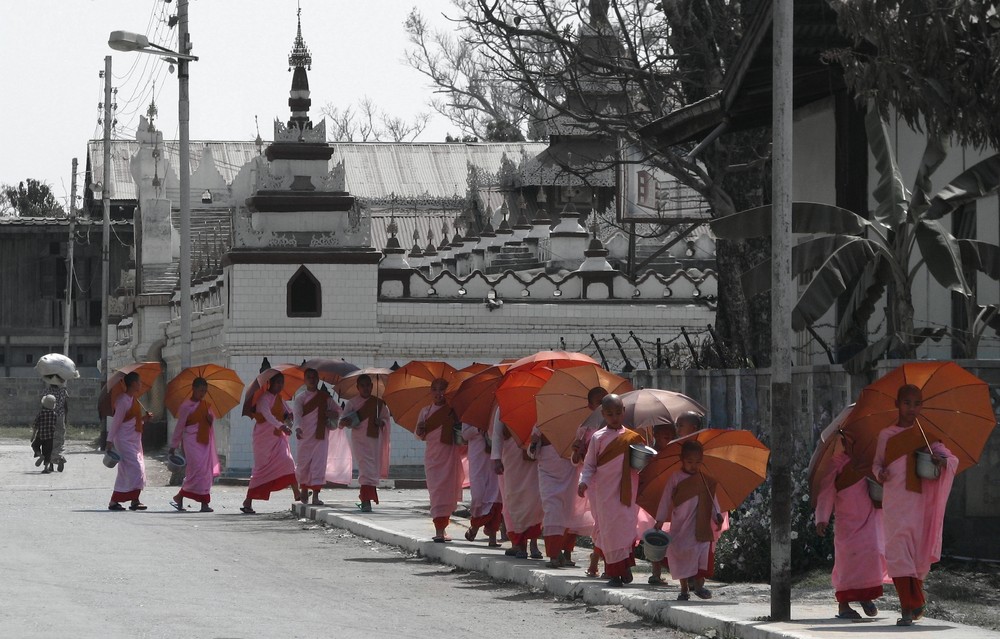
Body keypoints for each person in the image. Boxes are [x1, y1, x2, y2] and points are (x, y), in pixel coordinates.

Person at [873, 384, 957, 626]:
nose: (912, 408)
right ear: (897, 404)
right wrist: (880, 474)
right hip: (894, 503)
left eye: (916, 403)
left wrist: (939, 460)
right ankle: (908, 609)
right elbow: (876, 465)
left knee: (917, 554)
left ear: (922, 406)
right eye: (907, 403)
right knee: (898, 553)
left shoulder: (925, 436)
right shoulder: (886, 435)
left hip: (918, 504)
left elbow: (951, 459)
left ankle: (914, 601)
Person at [578, 394, 646, 587]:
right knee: (609, 531)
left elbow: (639, 465)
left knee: (625, 528)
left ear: (624, 412)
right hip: (605, 493)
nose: (614, 417)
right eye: (610, 414)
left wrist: (643, 455)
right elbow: (589, 464)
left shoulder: (633, 437)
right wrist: (583, 482)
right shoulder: (598, 438)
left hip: (627, 492)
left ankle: (624, 568)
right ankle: (614, 573)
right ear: (603, 414)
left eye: (618, 413)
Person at [814, 440, 886, 619]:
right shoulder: (837, 463)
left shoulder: (870, 461)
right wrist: (822, 518)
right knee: (847, 562)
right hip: (846, 522)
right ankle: (843, 605)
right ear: (845, 442)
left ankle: (865, 596)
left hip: (869, 518)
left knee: (872, 553)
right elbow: (827, 490)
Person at [655, 439, 725, 600]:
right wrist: (660, 519)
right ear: (682, 459)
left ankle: (700, 586)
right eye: (690, 462)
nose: (694, 465)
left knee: (702, 553)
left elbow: (713, 501)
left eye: (698, 462)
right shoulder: (675, 477)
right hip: (680, 525)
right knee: (682, 555)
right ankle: (684, 588)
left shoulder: (705, 480)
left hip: (700, 524)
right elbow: (666, 498)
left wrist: (717, 515)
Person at [530, 422, 594, 569]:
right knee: (551, 510)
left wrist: (578, 451)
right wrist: (533, 443)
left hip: (569, 471)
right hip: (547, 471)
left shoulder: (582, 426)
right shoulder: (542, 422)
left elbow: (582, 457)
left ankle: (561, 550)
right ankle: (553, 554)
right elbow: (532, 453)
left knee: (566, 511)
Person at [415, 378, 468, 542]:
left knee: (447, 493)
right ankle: (439, 530)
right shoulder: (425, 411)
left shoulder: (453, 411)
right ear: (431, 392)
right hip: (433, 457)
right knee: (436, 492)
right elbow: (419, 435)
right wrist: (420, 429)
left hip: (449, 456)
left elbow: (463, 435)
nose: (439, 393)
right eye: (435, 389)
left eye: (442, 389)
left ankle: (442, 529)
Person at [242, 373, 300, 514]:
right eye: (277, 383)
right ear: (270, 384)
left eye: (282, 383)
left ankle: (297, 493)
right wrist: (281, 426)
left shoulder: (279, 398)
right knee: (261, 470)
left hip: (278, 438)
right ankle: (248, 501)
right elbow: (268, 416)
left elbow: (288, 411)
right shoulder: (263, 399)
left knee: (288, 461)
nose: (280, 385)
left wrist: (290, 416)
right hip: (263, 439)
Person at [491, 408, 544, 559]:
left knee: (536, 501)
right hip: (512, 458)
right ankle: (521, 545)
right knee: (516, 500)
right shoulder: (504, 405)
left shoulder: (541, 402)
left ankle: (534, 543)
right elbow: (497, 434)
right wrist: (496, 459)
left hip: (534, 456)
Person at [570, 386, 608, 576]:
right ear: (590, 405)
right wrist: (577, 452)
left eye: (606, 402)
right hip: (595, 482)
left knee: (614, 522)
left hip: (618, 483)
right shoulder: (586, 428)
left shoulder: (621, 428)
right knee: (602, 521)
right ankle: (597, 558)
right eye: (599, 403)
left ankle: (607, 562)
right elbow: (577, 457)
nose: (603, 407)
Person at [168, 377, 221, 512]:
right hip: (191, 442)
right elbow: (180, 427)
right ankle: (182, 496)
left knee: (205, 472)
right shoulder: (186, 406)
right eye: (200, 390)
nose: (202, 394)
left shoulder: (206, 406)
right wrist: (173, 446)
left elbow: (210, 422)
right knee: (196, 471)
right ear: (194, 389)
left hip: (204, 442)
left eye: (205, 391)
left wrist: (210, 420)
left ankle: (201, 503)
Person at [341, 374, 391, 512]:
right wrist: (346, 422)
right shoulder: (352, 403)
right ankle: (365, 500)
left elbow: (386, 420)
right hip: (359, 440)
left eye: (368, 385)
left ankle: (366, 499)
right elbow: (344, 421)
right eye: (362, 386)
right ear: (358, 387)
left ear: (372, 386)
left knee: (372, 469)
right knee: (365, 468)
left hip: (375, 440)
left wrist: (380, 422)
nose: (365, 388)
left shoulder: (378, 403)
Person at [293, 369, 340, 506]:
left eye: (314, 377)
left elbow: (338, 412)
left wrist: (331, 413)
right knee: (304, 465)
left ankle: (315, 496)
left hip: (321, 436)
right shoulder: (301, 398)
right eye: (309, 377)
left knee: (318, 465)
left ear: (318, 379)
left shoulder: (325, 397)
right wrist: (298, 428)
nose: (312, 379)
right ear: (305, 380)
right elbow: (297, 415)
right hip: (305, 435)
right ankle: (303, 489)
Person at [106, 372, 152, 511]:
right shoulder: (122, 401)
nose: (140, 384)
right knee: (136, 469)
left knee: (128, 471)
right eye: (139, 382)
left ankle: (131, 501)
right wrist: (109, 441)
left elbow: (132, 422)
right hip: (123, 440)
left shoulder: (134, 400)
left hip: (135, 439)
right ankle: (122, 500)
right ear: (132, 383)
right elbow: (116, 422)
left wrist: (144, 419)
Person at [645, 421, 678, 585]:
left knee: (672, 535)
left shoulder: (675, 453)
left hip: (671, 499)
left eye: (673, 436)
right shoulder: (650, 454)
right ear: (655, 435)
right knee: (656, 537)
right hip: (655, 499)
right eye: (666, 436)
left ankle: (675, 570)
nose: (670, 439)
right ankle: (655, 573)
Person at [461, 421, 502, 546]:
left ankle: (492, 538)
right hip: (477, 457)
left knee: (496, 495)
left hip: (495, 456)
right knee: (478, 495)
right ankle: (475, 526)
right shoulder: (471, 414)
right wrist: (478, 428)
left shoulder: (496, 411)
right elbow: (464, 435)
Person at [31, 395, 58, 473]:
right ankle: (46, 468)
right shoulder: (54, 414)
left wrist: (33, 435)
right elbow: (55, 425)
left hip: (40, 435)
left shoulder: (41, 413)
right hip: (50, 436)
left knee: (35, 445)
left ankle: (40, 455)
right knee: (48, 452)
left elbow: (35, 424)